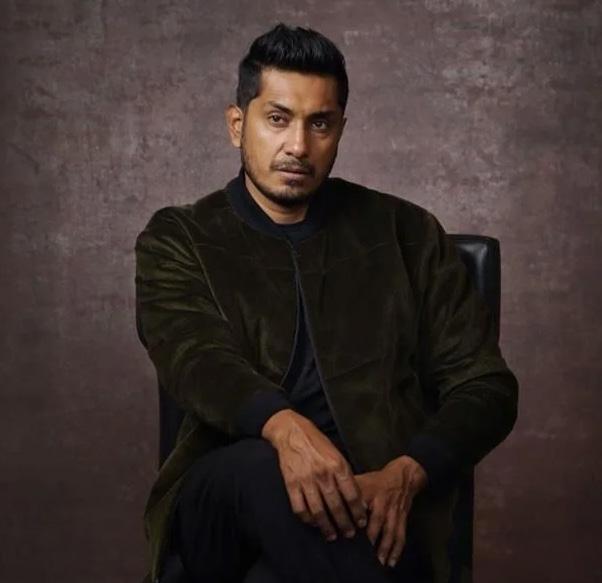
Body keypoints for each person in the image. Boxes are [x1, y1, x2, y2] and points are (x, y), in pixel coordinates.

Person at [134, 23, 519, 583]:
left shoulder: (406, 233)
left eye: (320, 123)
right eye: (277, 119)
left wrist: (407, 472)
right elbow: (195, 355)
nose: (299, 145)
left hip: (372, 500)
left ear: (340, 128)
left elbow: (487, 387)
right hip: (225, 502)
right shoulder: (180, 237)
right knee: (264, 467)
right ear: (237, 124)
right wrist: (284, 430)